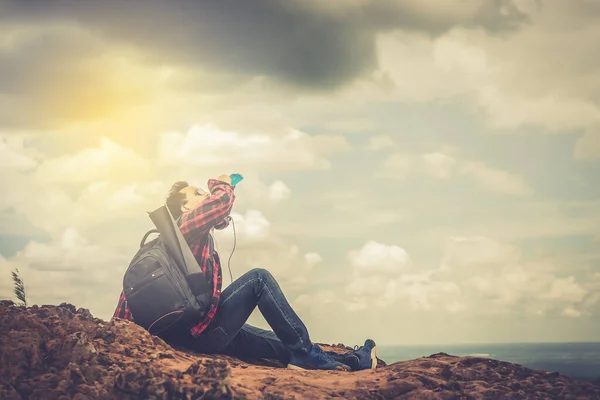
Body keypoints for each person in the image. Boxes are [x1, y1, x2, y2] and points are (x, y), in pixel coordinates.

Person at [113, 174, 377, 371]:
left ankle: (357, 361)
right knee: (259, 279)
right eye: (199, 193)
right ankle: (305, 355)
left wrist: (114, 333)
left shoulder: (170, 242)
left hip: (195, 332)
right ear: (184, 208)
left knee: (282, 343)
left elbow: (131, 298)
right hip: (204, 334)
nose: (206, 195)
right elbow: (221, 203)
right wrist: (222, 182)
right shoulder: (185, 225)